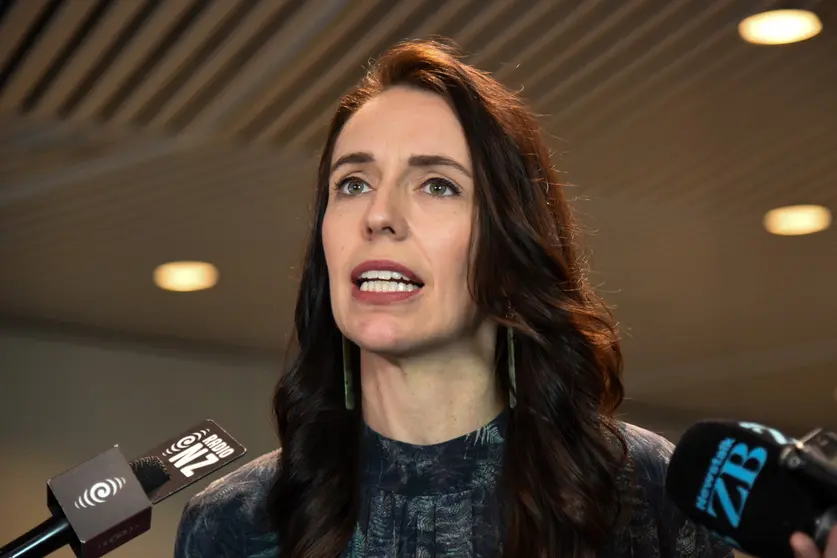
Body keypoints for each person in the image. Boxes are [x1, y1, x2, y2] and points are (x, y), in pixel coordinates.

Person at [173, 39, 836, 558]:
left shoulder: (642, 490)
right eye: (351, 184)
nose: (378, 215)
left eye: (436, 185)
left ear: (509, 239)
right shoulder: (234, 520)